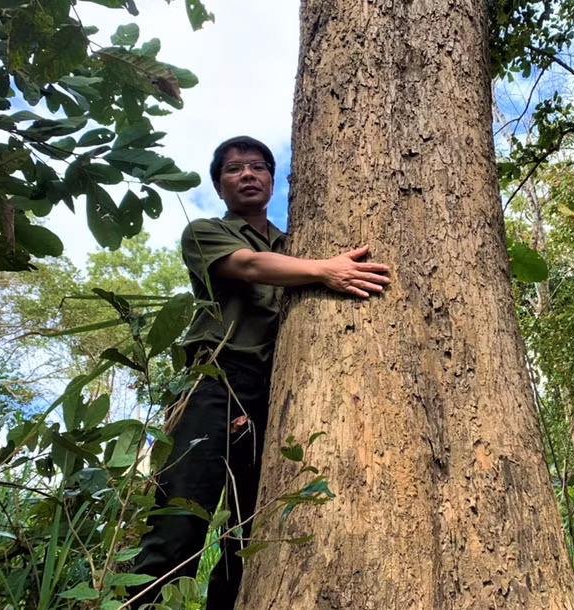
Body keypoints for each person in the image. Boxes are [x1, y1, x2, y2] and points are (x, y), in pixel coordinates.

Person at [129, 136, 391, 609]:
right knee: (178, 527)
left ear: (272, 179)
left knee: (250, 539)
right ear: (220, 185)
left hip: (274, 399)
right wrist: (323, 270)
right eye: (233, 169)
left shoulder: (298, 245)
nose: (247, 174)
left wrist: (317, 265)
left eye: (256, 166)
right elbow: (248, 266)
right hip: (214, 384)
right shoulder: (206, 232)